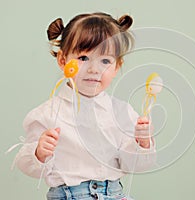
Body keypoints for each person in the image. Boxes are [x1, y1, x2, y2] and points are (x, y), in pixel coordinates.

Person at [14, 12, 156, 200]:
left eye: (105, 61)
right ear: (63, 60)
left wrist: (141, 144)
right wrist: (39, 153)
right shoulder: (47, 114)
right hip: (69, 195)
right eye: (83, 58)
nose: (94, 69)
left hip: (114, 194)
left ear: (117, 66)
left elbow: (133, 166)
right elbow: (26, 165)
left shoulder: (122, 112)